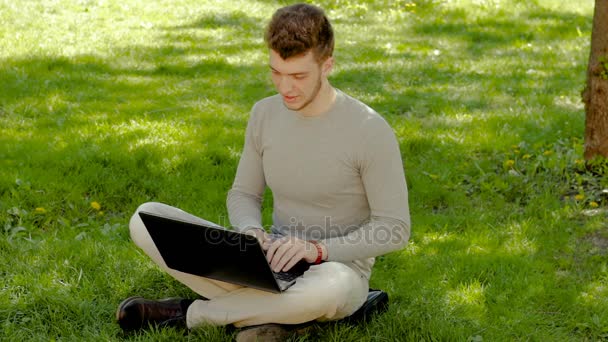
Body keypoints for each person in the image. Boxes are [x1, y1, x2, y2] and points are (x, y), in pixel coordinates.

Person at [116, 3, 410, 341]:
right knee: (145, 218)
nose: (285, 87)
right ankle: (282, 317)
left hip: (335, 271)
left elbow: (395, 228)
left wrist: (317, 251)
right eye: (276, 72)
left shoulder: (370, 130)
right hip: (266, 264)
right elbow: (244, 193)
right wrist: (251, 231)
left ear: (327, 65)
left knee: (329, 288)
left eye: (298, 76)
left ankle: (187, 314)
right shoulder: (264, 115)